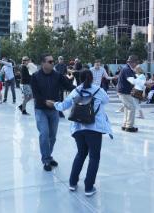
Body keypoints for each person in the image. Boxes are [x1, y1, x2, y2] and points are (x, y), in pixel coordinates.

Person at [45, 69, 112, 197]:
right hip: (94, 129)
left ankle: (72, 183)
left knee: (81, 154)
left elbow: (63, 106)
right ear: (92, 78)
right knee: (94, 157)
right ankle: (88, 187)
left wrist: (54, 104)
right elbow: (106, 101)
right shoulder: (98, 90)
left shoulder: (75, 91)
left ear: (79, 79)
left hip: (78, 128)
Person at [31, 53, 75, 171]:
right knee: (44, 134)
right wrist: (45, 102)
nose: (52, 63)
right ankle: (46, 160)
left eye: (53, 61)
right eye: (50, 62)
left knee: (52, 137)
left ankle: (48, 156)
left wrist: (82, 90)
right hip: (41, 109)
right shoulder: (35, 76)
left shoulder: (57, 75)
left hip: (54, 109)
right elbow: (35, 94)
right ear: (43, 63)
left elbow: (68, 85)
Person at [117, 55, 139, 132]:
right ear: (132, 62)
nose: (136, 64)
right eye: (136, 63)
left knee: (127, 108)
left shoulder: (128, 69)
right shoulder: (127, 69)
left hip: (123, 91)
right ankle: (129, 126)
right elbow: (132, 80)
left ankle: (125, 125)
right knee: (132, 108)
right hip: (124, 92)